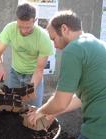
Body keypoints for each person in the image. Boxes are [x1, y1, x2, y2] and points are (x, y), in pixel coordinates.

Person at [27, 10, 106, 139]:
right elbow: (80, 98)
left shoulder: (74, 48)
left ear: (64, 29)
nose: (55, 45)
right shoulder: (96, 44)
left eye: (54, 39)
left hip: (99, 128)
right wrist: (51, 112)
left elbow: (61, 102)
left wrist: (40, 112)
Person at [0, 3, 54, 107]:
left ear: (35, 20)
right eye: (21, 26)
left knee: (34, 110)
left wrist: (29, 90)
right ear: (17, 19)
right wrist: (0, 67)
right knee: (13, 108)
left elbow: (39, 70)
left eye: (28, 27)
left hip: (34, 76)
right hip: (15, 75)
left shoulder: (43, 37)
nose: (24, 31)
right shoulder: (10, 28)